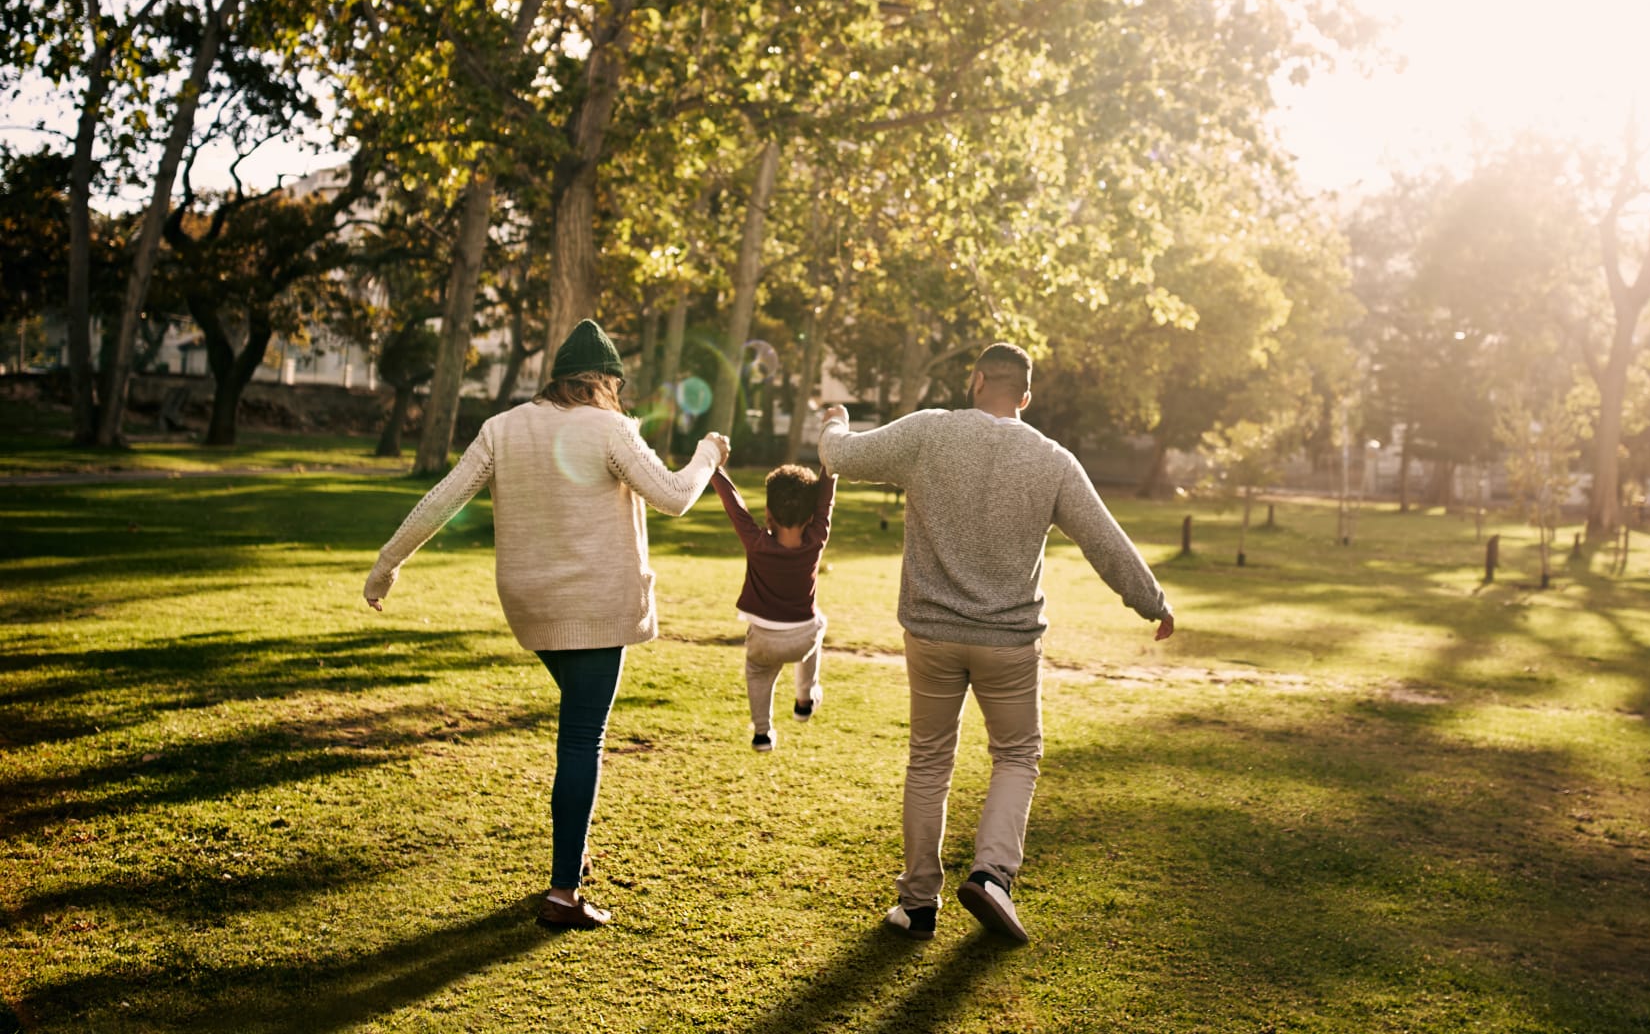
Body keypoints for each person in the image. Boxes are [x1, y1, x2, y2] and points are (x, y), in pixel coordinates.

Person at [363, 319, 728, 930]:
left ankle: (573, 851)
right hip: (591, 605)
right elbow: (673, 496)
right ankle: (563, 891)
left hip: (529, 601)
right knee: (583, 737)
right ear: (604, 381)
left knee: (578, 720)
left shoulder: (502, 428)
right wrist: (708, 455)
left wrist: (386, 565)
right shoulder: (611, 428)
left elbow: (443, 500)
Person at [817, 342, 1173, 945]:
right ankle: (993, 877)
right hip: (1009, 642)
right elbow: (1105, 542)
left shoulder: (929, 433)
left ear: (977, 380)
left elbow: (839, 457)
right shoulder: (1051, 459)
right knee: (1015, 756)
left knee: (929, 758)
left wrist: (836, 420)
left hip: (931, 633)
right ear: (1025, 398)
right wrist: (1153, 601)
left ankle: (918, 904)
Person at [710, 463, 838, 751]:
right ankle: (804, 700)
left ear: (768, 515)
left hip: (764, 640)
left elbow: (734, 505)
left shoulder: (756, 543)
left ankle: (762, 734)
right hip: (803, 638)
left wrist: (715, 467)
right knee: (818, 624)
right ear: (810, 517)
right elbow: (826, 499)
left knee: (758, 673)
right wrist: (830, 460)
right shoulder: (817, 538)